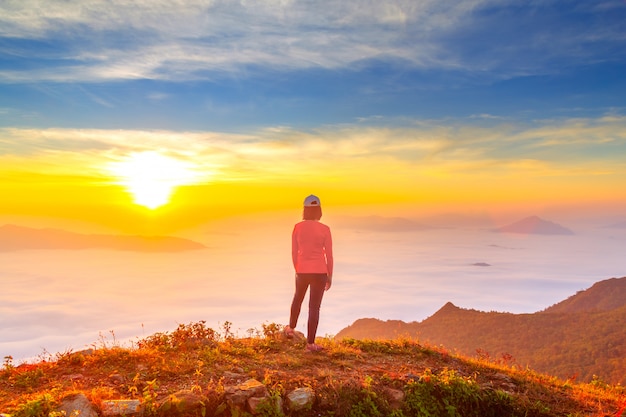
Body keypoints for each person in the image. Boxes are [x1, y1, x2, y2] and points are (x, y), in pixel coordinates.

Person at [284, 194, 333, 352]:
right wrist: (329, 276)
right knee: (314, 308)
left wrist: (297, 269)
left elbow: (294, 251)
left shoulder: (297, 227)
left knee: (297, 298)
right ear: (319, 210)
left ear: (305, 210)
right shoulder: (325, 229)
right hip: (320, 272)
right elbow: (329, 255)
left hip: (302, 270)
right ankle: (310, 344)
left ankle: (290, 329)